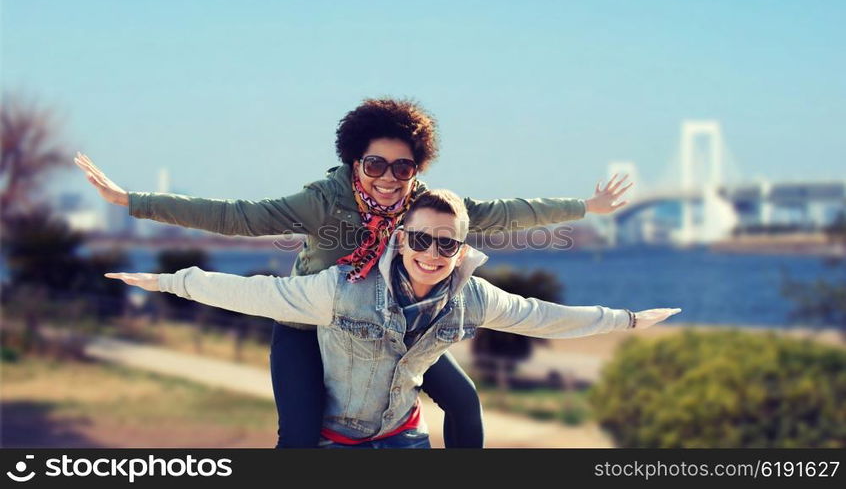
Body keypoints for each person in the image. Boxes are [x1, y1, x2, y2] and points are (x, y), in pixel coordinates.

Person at [77, 98, 633, 448]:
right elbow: (236, 217)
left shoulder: (425, 205)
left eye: (403, 167)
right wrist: (132, 200)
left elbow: (505, 212)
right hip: (312, 318)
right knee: (298, 435)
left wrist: (587, 207)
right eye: (375, 165)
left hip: (387, 323)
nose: (389, 178)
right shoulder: (324, 200)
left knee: (464, 403)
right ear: (354, 163)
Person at [106, 189, 680, 448]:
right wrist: (168, 281)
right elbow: (256, 291)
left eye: (447, 245)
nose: (434, 253)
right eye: (423, 240)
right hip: (334, 437)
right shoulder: (341, 287)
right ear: (400, 239)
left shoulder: (470, 294)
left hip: (403, 439)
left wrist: (625, 319)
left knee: (465, 399)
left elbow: (542, 316)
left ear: (462, 247)